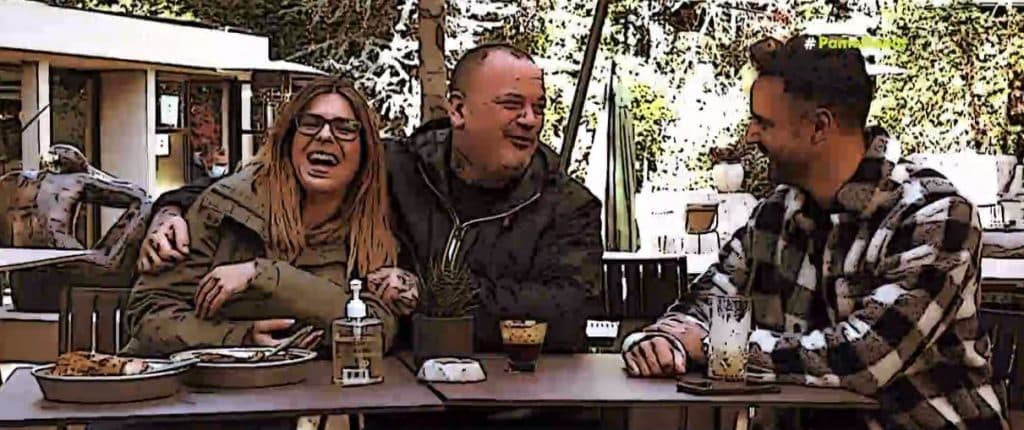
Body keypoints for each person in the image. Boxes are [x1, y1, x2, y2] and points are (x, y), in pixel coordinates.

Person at [622, 35, 1009, 430]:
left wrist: (715, 347)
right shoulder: (775, 214)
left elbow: (865, 358)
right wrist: (663, 341)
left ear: (820, 127)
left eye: (764, 122)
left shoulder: (934, 215)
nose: (750, 135)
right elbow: (706, 301)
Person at [138, 43, 604, 355]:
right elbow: (258, 184)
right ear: (458, 110)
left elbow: (569, 313)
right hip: (409, 404)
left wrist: (428, 296)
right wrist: (170, 207)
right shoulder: (400, 167)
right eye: (512, 105)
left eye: (538, 107)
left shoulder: (568, 205)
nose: (530, 120)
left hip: (527, 401)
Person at [122, 76, 418, 361]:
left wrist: (266, 275)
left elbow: (376, 330)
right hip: (198, 388)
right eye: (311, 123)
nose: (325, 136)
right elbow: (148, 314)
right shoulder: (227, 206)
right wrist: (241, 339)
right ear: (289, 138)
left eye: (344, 129)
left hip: (312, 389)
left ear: (365, 150)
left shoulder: (373, 227)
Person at [0, 143, 151, 311]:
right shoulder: (75, 180)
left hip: (24, 290)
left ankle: (103, 256)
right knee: (148, 205)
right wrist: (89, 170)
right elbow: (140, 195)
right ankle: (107, 258)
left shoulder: (8, 183)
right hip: (66, 276)